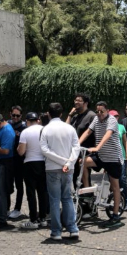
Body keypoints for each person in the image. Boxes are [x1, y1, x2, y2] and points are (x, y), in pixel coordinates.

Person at [79, 102, 124, 226]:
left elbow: (108, 134)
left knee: (115, 186)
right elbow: (88, 131)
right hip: (101, 156)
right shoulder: (96, 119)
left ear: (107, 111)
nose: (99, 114)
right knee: (82, 162)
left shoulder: (112, 120)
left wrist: (97, 147)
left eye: (102, 112)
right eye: (97, 111)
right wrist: (77, 143)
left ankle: (115, 215)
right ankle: (88, 192)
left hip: (112, 158)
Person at [40, 102, 80, 240]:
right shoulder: (70, 128)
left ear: (48, 114)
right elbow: (76, 147)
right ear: (61, 114)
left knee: (54, 200)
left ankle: (56, 231)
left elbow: (44, 150)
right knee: (67, 198)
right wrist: (68, 162)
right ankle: (72, 228)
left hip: (52, 167)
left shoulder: (46, 129)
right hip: (68, 168)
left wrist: (61, 161)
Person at [16, 112, 48, 230]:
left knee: (31, 192)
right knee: (42, 191)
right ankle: (43, 218)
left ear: (27, 121)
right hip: (43, 162)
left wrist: (18, 148)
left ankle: (33, 219)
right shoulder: (44, 130)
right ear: (38, 120)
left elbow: (21, 152)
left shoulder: (25, 132)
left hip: (30, 163)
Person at [8, 106, 27, 220]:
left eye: (18, 116)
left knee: (19, 185)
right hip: (8, 158)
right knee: (7, 184)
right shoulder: (7, 124)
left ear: (21, 116)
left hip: (20, 159)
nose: (15, 117)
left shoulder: (24, 127)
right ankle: (6, 207)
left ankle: (17, 208)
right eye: (13, 115)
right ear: (10, 114)